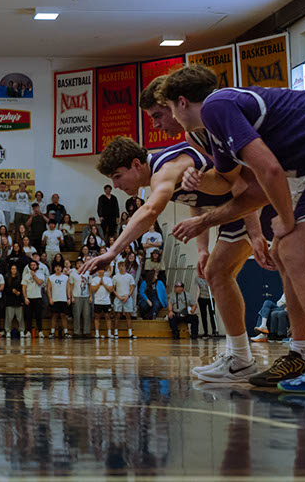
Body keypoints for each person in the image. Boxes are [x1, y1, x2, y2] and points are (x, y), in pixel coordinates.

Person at [159, 66, 305, 389]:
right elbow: (248, 191)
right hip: (303, 167)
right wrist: (202, 214)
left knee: (293, 251)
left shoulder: (216, 106)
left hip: (301, 168)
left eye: (168, 109)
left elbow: (270, 170)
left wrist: (284, 220)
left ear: (182, 102)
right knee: (288, 253)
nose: (167, 118)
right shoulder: (213, 130)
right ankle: (301, 355)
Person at [82, 136, 269, 382]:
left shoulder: (164, 170)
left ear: (136, 164)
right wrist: (202, 249)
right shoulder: (164, 173)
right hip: (235, 210)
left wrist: (112, 251)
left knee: (221, 272)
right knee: (217, 273)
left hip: (251, 203)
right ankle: (241, 356)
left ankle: (244, 358)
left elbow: (149, 211)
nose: (116, 185)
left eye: (118, 176)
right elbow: (196, 202)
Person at [110, 261, 136, 339]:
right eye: (120, 266)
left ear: (125, 267)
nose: (122, 267)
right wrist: (118, 297)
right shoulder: (115, 277)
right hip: (118, 298)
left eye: (123, 265)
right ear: (118, 267)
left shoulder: (130, 276)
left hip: (127, 298)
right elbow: (113, 289)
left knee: (128, 315)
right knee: (117, 315)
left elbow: (132, 288)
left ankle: (130, 333)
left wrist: (127, 296)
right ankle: (116, 333)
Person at [69, 259, 91, 338]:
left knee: (86, 315)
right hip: (76, 296)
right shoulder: (73, 274)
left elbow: (90, 285)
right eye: (77, 263)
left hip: (86, 296)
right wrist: (71, 296)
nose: (79, 265)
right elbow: (71, 286)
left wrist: (91, 296)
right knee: (76, 315)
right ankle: (76, 332)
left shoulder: (88, 273)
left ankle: (86, 331)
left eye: (81, 263)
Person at [48, 262, 70, 338]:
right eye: (56, 267)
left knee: (63, 316)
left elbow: (68, 288)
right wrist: (50, 298)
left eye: (59, 267)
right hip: (55, 299)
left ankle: (66, 333)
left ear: (61, 268)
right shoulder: (51, 277)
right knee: (54, 316)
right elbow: (49, 289)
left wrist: (69, 298)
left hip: (63, 299)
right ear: (54, 268)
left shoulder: (66, 277)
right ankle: (52, 332)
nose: (58, 268)